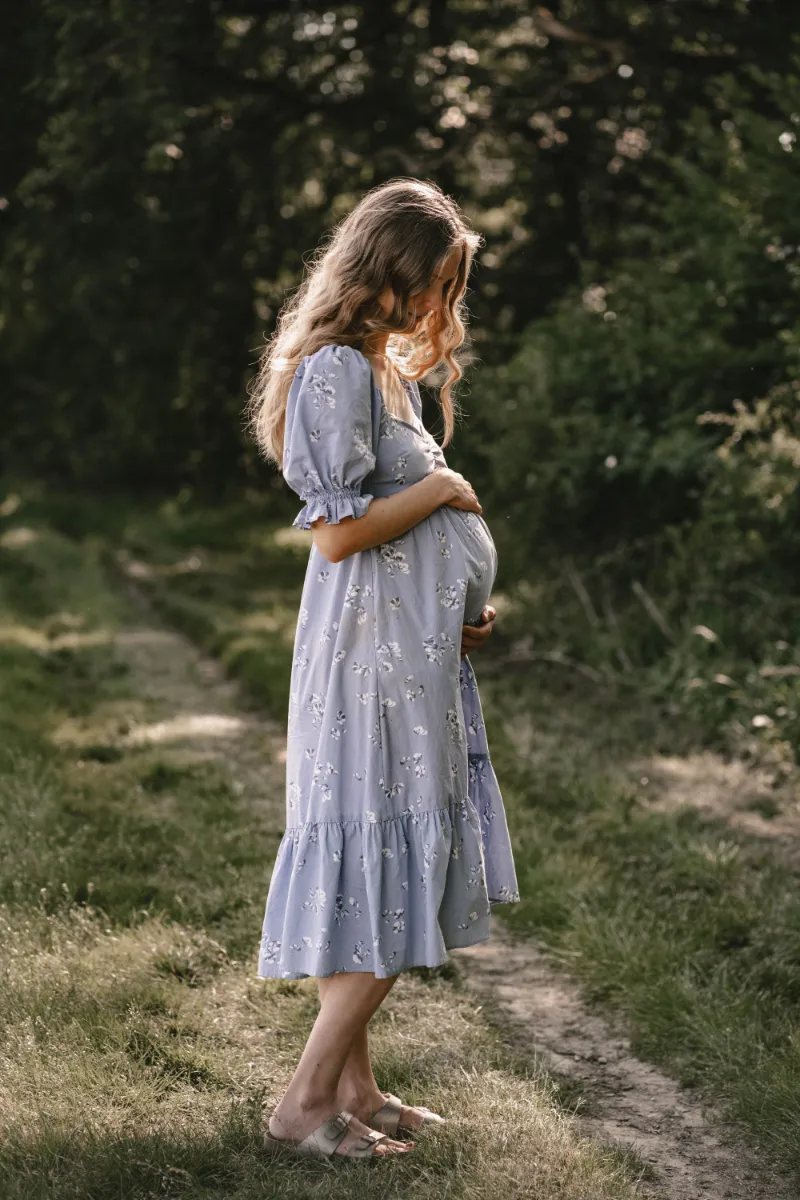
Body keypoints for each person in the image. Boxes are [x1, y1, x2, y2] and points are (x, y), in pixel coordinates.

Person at [246, 177, 519, 1163]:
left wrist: (457, 614)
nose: (444, 305)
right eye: (437, 281)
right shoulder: (334, 372)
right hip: (368, 672)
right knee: (390, 869)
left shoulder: (381, 370)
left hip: (410, 660)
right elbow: (338, 536)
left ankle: (356, 1088)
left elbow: (396, 551)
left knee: (381, 864)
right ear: (389, 271)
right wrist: (445, 487)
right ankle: (302, 1102)